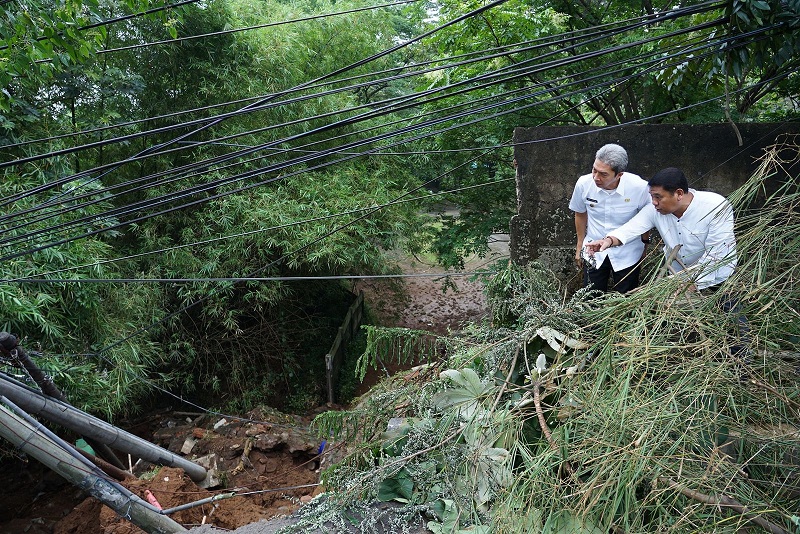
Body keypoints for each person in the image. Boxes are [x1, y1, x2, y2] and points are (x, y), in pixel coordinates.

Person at [584, 167, 737, 292]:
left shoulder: (715, 206)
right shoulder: (655, 210)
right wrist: (608, 241)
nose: (654, 202)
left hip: (718, 275)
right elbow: (632, 227)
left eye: (658, 197)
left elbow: (716, 254)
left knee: (731, 314)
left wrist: (692, 282)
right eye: (652, 197)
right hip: (678, 277)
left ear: (679, 194)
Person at [569, 143, 651, 292]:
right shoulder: (583, 184)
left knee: (626, 297)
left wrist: (645, 245)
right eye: (594, 170)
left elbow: (646, 218)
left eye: (603, 174)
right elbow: (580, 213)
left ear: (619, 174)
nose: (596, 177)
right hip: (593, 251)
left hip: (628, 252)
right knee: (590, 297)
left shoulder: (639, 187)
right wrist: (579, 244)